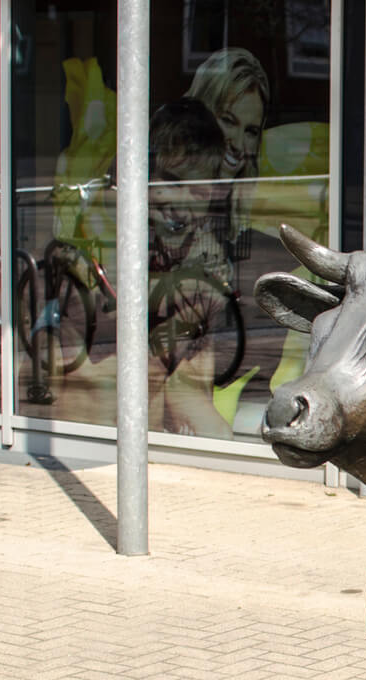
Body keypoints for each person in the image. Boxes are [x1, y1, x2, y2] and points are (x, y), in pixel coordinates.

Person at [146, 98, 234, 438]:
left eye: (196, 191)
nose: (180, 203)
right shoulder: (127, 239)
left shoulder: (206, 253)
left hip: (185, 374)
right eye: (169, 182)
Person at [186, 47, 269, 247]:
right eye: (228, 121)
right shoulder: (162, 188)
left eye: (251, 132)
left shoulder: (254, 210)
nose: (239, 145)